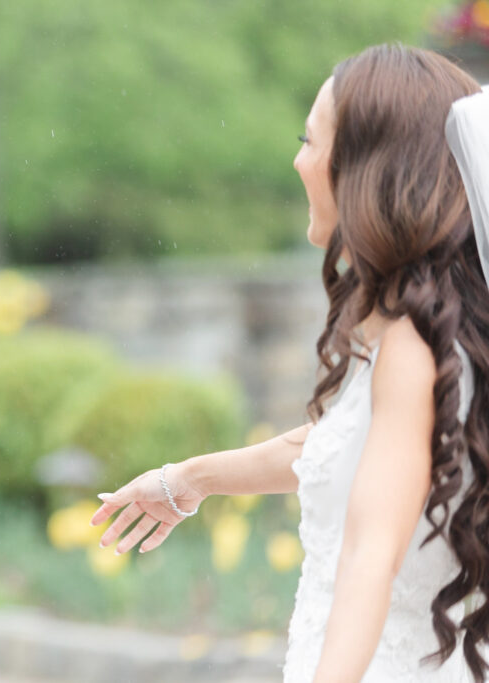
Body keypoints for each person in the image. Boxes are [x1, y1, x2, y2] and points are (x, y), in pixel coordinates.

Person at [92, 44, 489, 681]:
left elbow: (370, 556)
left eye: (309, 139)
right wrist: (190, 479)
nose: (297, 160)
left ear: (365, 169)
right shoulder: (423, 338)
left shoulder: (413, 346)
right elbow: (345, 447)